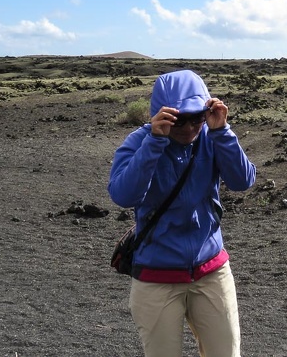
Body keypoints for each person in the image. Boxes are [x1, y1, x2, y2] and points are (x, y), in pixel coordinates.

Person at [109, 69, 256, 357]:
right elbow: (123, 195)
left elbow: (243, 181)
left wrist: (221, 131)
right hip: (156, 275)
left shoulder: (212, 135)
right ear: (161, 114)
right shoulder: (139, 142)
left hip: (210, 268)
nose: (189, 128)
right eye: (179, 120)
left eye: (196, 117)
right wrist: (154, 142)